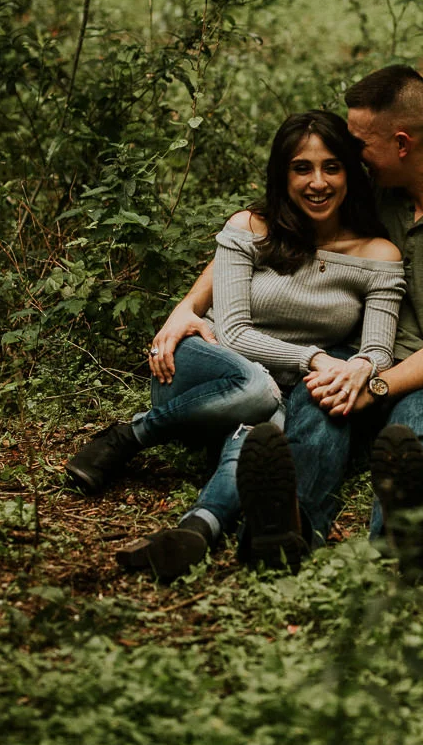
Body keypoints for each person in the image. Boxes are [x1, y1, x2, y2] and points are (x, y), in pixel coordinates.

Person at [64, 110, 405, 580]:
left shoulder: (378, 256)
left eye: (331, 166)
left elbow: (378, 352)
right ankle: (133, 433)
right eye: (301, 168)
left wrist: (361, 367)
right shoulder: (250, 228)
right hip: (206, 365)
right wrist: (316, 358)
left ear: (350, 171)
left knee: (267, 427)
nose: (317, 182)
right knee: (262, 395)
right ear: (282, 174)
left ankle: (198, 528)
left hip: (274, 393)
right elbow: (237, 331)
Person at [235, 65, 423, 580]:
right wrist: (186, 308)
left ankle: (412, 533)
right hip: (350, 355)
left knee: (419, 426)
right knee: (316, 410)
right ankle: (285, 529)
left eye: (359, 143)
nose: (350, 156)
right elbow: (262, 230)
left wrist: (376, 381)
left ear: (400, 143)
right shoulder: (370, 191)